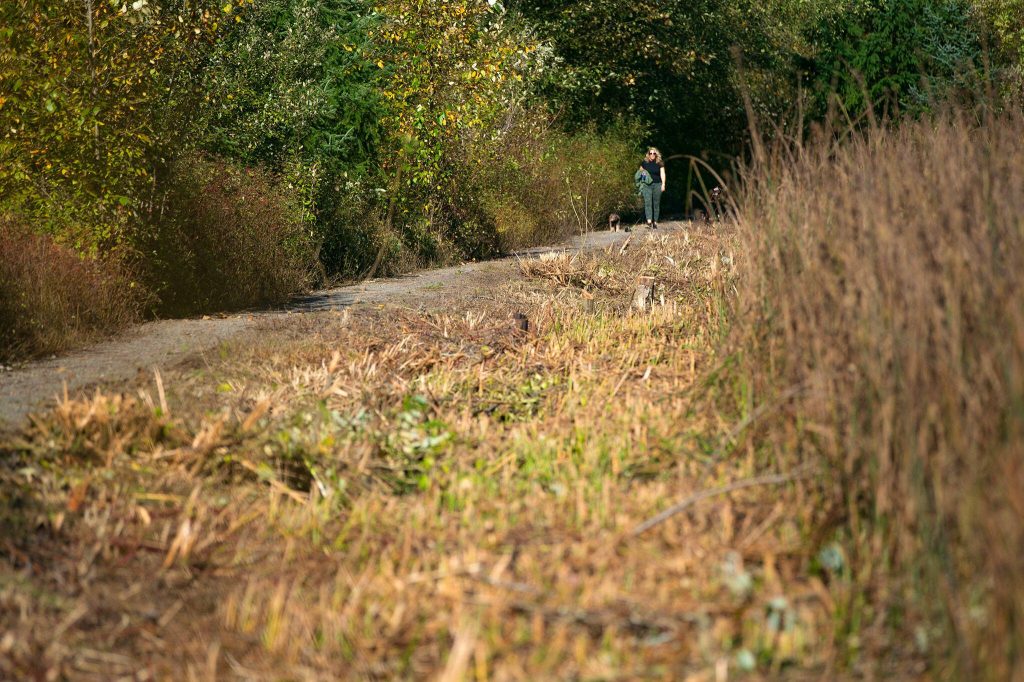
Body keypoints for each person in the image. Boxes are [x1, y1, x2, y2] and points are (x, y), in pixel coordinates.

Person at [638, 147, 667, 229]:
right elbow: (641, 172)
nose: (652, 155)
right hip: (647, 185)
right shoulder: (645, 162)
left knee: (656, 204)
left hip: (657, 184)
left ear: (656, 154)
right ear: (648, 154)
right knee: (648, 203)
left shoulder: (660, 162)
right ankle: (649, 221)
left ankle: (655, 222)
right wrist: (642, 182)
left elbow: (662, 174)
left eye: (654, 153)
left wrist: (663, 184)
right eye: (650, 153)